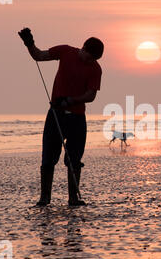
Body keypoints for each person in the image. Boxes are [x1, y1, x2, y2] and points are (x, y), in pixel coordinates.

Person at [18, 28, 104, 206]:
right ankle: (44, 198)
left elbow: (91, 96)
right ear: (84, 47)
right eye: (89, 56)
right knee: (48, 157)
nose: (90, 61)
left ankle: (73, 199)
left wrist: (71, 100)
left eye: (94, 59)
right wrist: (29, 43)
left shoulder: (95, 69)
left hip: (77, 118)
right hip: (56, 115)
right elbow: (39, 56)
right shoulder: (65, 51)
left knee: (74, 160)